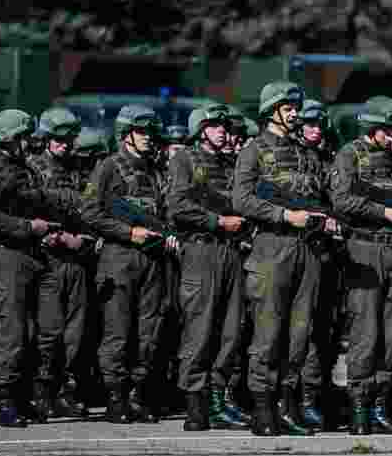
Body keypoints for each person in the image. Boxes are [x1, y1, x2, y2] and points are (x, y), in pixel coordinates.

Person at [233, 82, 334, 437]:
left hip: (307, 250)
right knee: (268, 333)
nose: (295, 113)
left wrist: (327, 217)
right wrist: (283, 216)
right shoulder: (254, 150)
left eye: (296, 107)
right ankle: (263, 409)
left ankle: (287, 406)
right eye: (288, 108)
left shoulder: (307, 153)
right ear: (271, 110)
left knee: (299, 335)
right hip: (272, 249)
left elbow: (321, 193)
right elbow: (242, 200)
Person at [330, 104, 392, 435]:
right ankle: (358, 407)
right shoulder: (350, 155)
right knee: (365, 331)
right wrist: (383, 212)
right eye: (389, 131)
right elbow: (341, 200)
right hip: (365, 246)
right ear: (372, 129)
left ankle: (381, 406)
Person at [81, 105, 179, 424]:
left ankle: (138, 394)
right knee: (118, 331)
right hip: (120, 258)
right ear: (125, 135)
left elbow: (166, 211)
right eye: (142, 132)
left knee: (148, 331)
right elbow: (91, 213)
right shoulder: (108, 167)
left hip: (153, 259)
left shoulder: (155, 170)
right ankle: (116, 397)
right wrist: (128, 232)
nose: (149, 138)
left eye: (151, 132)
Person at [0, 109, 67, 427]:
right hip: (7, 256)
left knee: (49, 328)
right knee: (12, 330)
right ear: (10, 139)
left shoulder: (24, 169)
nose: (31, 143)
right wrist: (28, 226)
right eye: (25, 138)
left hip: (35, 255)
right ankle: (6, 400)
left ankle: (27, 392)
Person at [166, 103, 250, 431]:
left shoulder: (230, 163)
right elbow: (178, 206)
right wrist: (217, 221)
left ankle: (218, 401)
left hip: (231, 251)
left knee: (230, 332)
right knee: (198, 332)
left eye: (223, 126)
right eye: (214, 125)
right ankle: (195, 405)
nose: (221, 130)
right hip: (201, 250)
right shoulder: (183, 159)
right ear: (201, 129)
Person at [26, 108, 93, 420]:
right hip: (48, 259)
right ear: (46, 138)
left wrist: (84, 239)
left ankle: (66, 390)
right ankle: (42, 392)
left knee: (75, 334)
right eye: (58, 139)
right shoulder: (32, 168)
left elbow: (92, 209)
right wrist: (53, 236)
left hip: (77, 259)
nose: (65, 145)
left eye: (68, 139)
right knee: (49, 331)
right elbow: (24, 210)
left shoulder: (79, 170)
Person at [297, 99, 346, 431]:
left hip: (331, 254)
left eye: (319, 126)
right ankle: (304, 397)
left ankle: (319, 389)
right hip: (300, 250)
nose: (315, 130)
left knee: (328, 329)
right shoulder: (293, 160)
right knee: (304, 329)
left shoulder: (330, 159)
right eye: (309, 125)